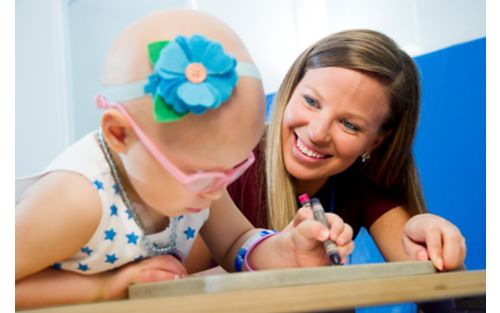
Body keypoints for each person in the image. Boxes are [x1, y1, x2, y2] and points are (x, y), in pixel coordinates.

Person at [15, 10, 354, 309]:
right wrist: (104, 287)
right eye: (200, 175)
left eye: (233, 168)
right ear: (120, 134)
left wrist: (289, 250)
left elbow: (236, 244)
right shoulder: (78, 199)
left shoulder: (202, 182)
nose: (216, 191)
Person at [185, 29, 466, 275]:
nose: (318, 133)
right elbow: (175, 285)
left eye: (349, 125)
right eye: (310, 101)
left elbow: (436, 282)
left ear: (376, 142)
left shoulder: (363, 179)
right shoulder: (228, 164)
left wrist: (435, 244)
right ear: (291, 88)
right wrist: (279, 261)